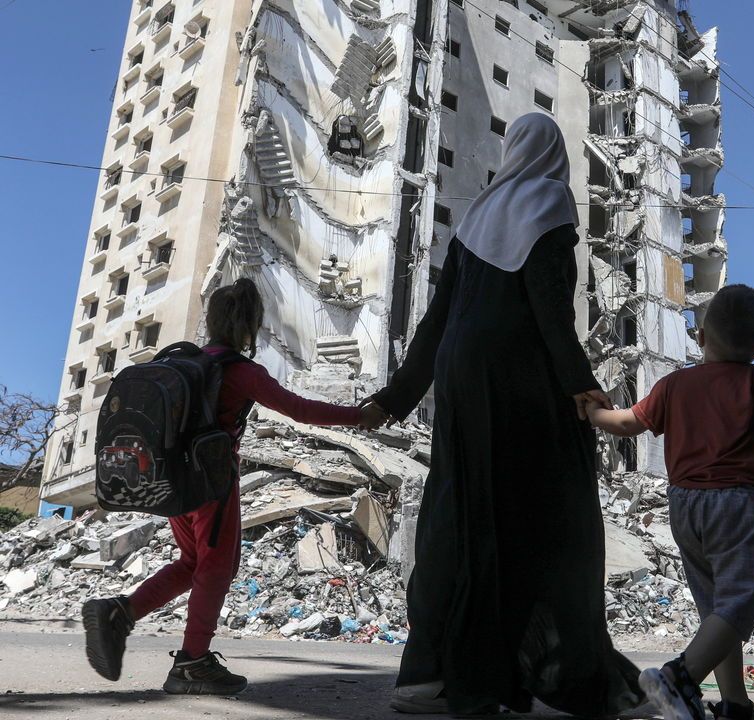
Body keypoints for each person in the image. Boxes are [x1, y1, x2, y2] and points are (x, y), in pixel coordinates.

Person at [366, 114, 642, 716]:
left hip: (461, 378)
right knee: (551, 512)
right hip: (517, 376)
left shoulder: (475, 216)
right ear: (553, 154)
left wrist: (397, 396)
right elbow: (550, 309)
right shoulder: (549, 200)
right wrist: (581, 386)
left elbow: (436, 320)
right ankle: (562, 673)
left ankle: (428, 674)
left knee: (456, 510)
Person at [81, 279, 383, 695]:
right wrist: (358, 416)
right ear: (248, 327)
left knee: (192, 563)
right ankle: (192, 663)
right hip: (211, 484)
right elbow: (299, 409)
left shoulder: (184, 363)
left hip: (171, 484)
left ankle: (119, 612)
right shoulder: (242, 372)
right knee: (218, 567)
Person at [586, 284, 754, 720]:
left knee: (718, 612)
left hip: (683, 505)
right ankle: (678, 677)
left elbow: (625, 423)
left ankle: (734, 703)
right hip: (737, 505)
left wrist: (592, 412)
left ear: (700, 336)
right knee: (740, 606)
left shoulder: (673, 385)